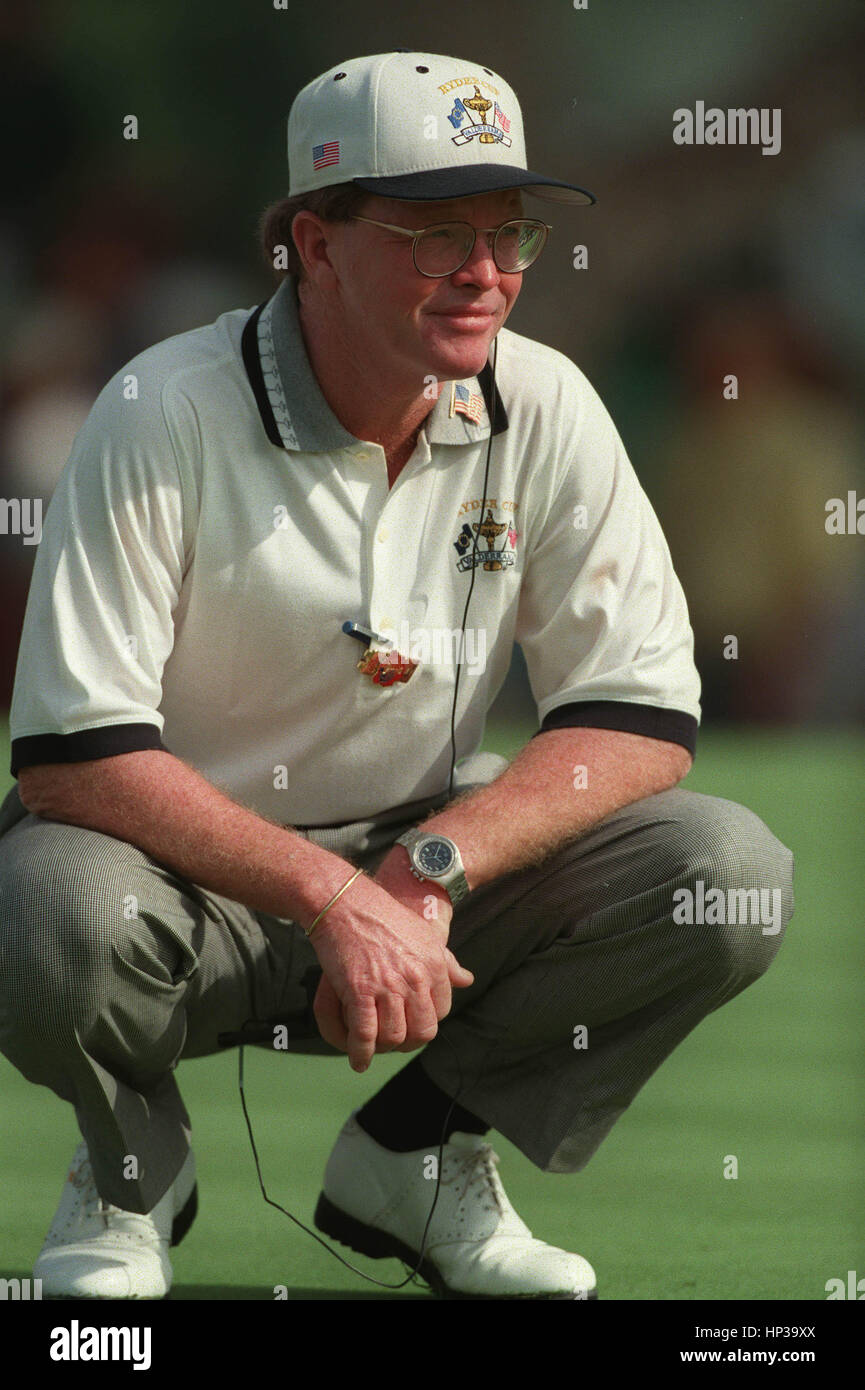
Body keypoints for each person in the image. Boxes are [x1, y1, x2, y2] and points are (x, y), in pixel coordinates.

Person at [0, 50, 793, 1301]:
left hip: (421, 865)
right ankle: (129, 1170)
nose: (485, 272)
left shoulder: (552, 402)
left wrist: (426, 870)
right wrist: (331, 896)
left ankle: (416, 1156)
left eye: (509, 230)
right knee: (49, 914)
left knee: (728, 872)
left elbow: (638, 716)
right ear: (313, 246)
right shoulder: (162, 408)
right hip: (170, 883)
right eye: (433, 235)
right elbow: (70, 758)